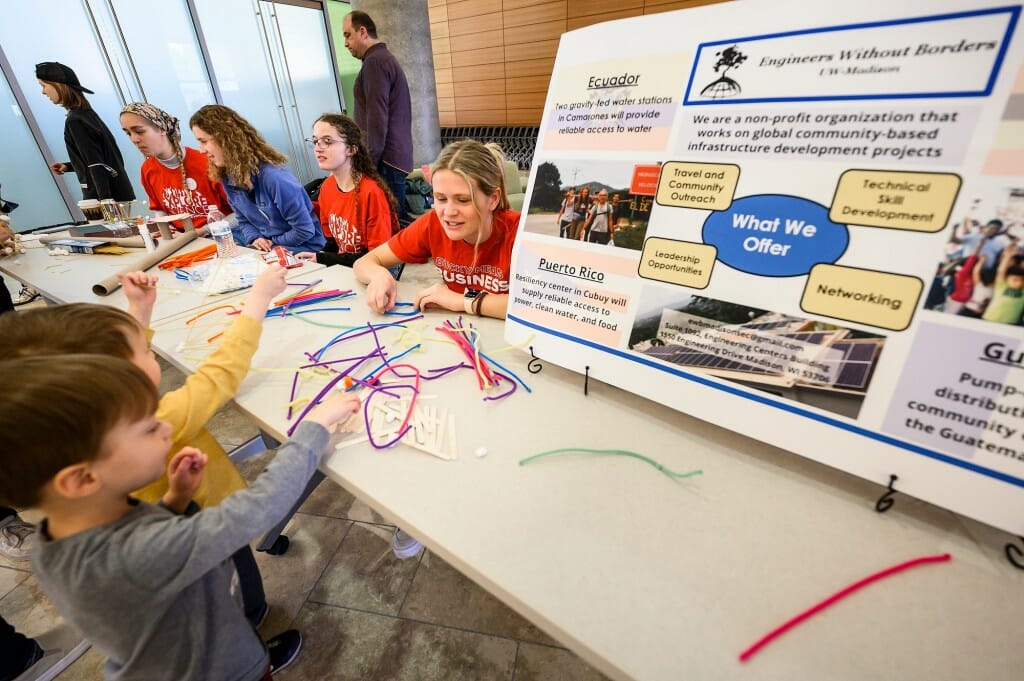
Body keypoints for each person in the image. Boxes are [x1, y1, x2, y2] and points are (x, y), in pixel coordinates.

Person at [0, 354, 360, 680]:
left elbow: (134, 562)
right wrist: (314, 426)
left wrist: (174, 500)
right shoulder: (149, 550)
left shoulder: (55, 540)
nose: (166, 428)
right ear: (82, 479)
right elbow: (261, 506)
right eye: (146, 427)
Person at [0, 265, 291, 628]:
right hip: (213, 525)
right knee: (240, 590)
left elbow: (120, 365)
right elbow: (218, 375)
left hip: (185, 515)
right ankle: (256, 625)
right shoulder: (156, 419)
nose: (149, 349)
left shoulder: (88, 441)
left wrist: (139, 312)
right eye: (144, 350)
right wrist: (258, 300)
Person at [354, 139, 519, 321]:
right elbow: (364, 262)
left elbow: (543, 309)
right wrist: (379, 275)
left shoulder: (520, 232)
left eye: (463, 200)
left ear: (493, 199)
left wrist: (463, 301)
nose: (448, 212)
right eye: (440, 198)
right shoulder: (432, 224)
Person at [189, 104, 325, 254]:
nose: (201, 150)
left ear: (224, 138)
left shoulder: (275, 179)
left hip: (303, 249)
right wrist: (255, 238)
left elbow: (304, 231)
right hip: (268, 248)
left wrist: (271, 241)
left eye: (204, 141)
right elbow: (243, 220)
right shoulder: (228, 176)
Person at [297, 114, 399, 267]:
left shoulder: (371, 192)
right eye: (315, 141)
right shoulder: (327, 187)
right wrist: (318, 258)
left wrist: (324, 259)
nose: (318, 148)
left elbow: (377, 258)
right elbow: (333, 241)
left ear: (350, 149)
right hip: (346, 266)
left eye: (327, 141)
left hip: (376, 268)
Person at [119, 102, 233, 235]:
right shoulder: (147, 169)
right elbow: (160, 210)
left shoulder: (208, 162)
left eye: (139, 131)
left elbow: (241, 214)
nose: (134, 139)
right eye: (128, 133)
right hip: (182, 238)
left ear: (162, 129)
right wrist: (165, 231)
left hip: (221, 234)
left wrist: (203, 231)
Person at [343, 10, 413, 224]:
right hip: (391, 158)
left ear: (362, 31)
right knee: (396, 220)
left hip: (385, 160)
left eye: (347, 35)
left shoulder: (375, 63)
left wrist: (368, 162)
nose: (345, 43)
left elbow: (377, 119)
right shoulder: (382, 60)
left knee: (392, 225)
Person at [36, 62, 134, 203]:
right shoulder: (87, 114)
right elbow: (97, 158)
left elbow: (96, 165)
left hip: (102, 198)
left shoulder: (75, 120)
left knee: (113, 226)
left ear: (59, 85)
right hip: (117, 192)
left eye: (44, 86)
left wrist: (107, 205)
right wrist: (69, 166)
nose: (43, 92)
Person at [982, 243, 1024, 324]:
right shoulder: (1001, 286)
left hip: (1010, 324)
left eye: (1022, 280)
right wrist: (1008, 256)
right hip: (989, 319)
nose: (1019, 283)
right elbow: (1001, 271)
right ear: (1007, 279)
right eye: (1015, 280)